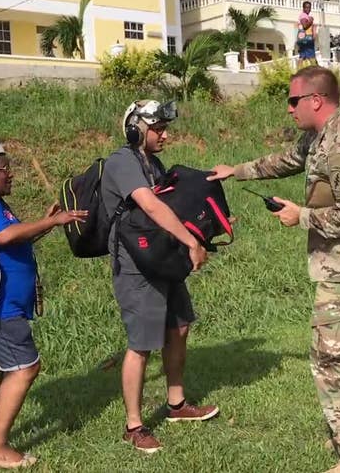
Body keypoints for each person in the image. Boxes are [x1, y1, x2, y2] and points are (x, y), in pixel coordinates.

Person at [207, 66, 340, 473]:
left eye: (293, 101)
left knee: (330, 358)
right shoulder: (319, 138)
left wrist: (302, 216)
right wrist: (235, 171)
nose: (288, 109)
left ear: (315, 100)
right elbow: (287, 159)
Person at [0, 138, 87, 469]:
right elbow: (4, 237)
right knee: (26, 367)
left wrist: (41, 223)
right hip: (0, 308)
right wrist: (52, 222)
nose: (10, 174)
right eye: (4, 168)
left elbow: (8, 240)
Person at [101, 100, 217, 454]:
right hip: (136, 264)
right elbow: (150, 205)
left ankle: (177, 404)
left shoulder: (153, 163)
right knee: (141, 344)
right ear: (136, 129)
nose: (165, 135)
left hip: (161, 256)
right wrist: (191, 242)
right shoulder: (123, 161)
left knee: (179, 326)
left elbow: (169, 204)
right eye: (158, 129)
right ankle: (133, 426)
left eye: (166, 128)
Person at [297, 1, 317, 65]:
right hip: (307, 38)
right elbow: (305, 26)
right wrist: (311, 21)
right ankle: (315, 71)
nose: (308, 9)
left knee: (302, 56)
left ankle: (298, 72)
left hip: (303, 38)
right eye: (306, 7)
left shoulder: (305, 15)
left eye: (309, 7)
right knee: (312, 57)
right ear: (303, 8)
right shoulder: (303, 15)